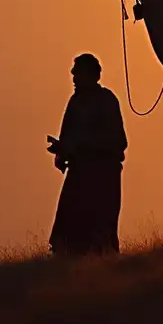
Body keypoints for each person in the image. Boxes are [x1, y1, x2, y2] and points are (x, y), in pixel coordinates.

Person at [46, 54, 128, 256]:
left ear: (91, 75)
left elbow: (118, 142)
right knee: (68, 237)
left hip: (102, 177)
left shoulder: (106, 101)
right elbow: (68, 139)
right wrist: (61, 149)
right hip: (79, 175)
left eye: (78, 73)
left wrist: (81, 145)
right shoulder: (76, 102)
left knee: (101, 236)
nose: (73, 78)